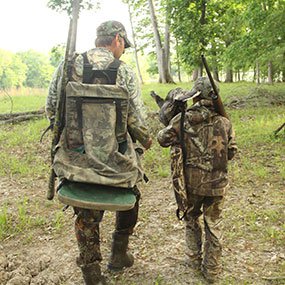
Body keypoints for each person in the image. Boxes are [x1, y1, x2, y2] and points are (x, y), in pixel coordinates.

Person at [46, 20, 152, 285]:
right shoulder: (125, 72)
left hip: (76, 160)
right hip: (115, 163)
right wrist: (145, 141)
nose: (123, 50)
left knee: (86, 213)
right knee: (132, 192)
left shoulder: (68, 66)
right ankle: (118, 254)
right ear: (117, 39)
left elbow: (50, 109)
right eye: (123, 45)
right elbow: (138, 120)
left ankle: (91, 273)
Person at [157, 77, 237, 283]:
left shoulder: (181, 120)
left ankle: (193, 259)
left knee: (191, 219)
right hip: (217, 185)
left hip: (191, 184)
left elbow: (162, 139)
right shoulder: (225, 122)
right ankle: (212, 270)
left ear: (195, 96)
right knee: (214, 224)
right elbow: (231, 152)